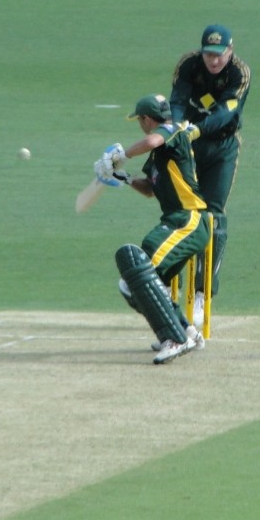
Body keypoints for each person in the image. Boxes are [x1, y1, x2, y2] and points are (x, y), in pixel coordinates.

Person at [94, 94, 210, 364]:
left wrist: (120, 155)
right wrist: (122, 176)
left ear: (147, 119)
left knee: (137, 273)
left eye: (140, 121)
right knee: (149, 284)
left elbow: (152, 140)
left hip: (188, 219)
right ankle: (184, 331)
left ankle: (175, 338)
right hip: (175, 220)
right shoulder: (160, 155)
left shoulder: (171, 131)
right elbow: (149, 189)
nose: (141, 126)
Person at [169, 23, 251, 325]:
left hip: (222, 147)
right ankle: (167, 285)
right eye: (209, 54)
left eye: (219, 55)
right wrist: (178, 126)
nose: (213, 61)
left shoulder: (239, 73)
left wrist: (198, 129)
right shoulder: (189, 65)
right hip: (188, 143)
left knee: (213, 217)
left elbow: (227, 110)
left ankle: (203, 292)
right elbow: (177, 99)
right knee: (181, 213)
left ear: (230, 51)